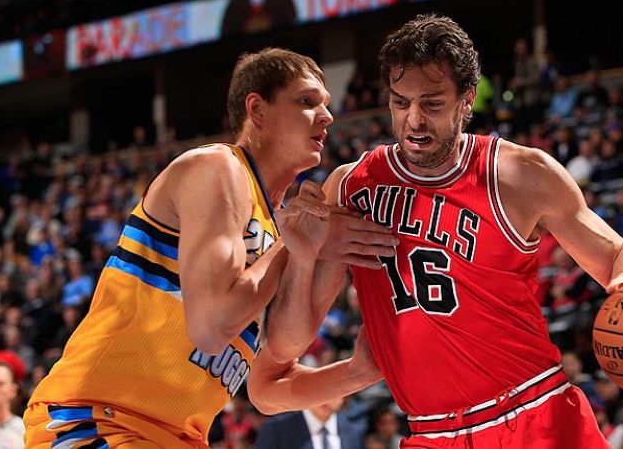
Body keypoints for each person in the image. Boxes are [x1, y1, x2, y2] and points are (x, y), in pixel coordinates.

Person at [250, 14, 623, 448]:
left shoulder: (520, 174)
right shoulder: (352, 188)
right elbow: (280, 359)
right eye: (400, 102)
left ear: (467, 99)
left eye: (432, 104)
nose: (414, 120)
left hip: (535, 414)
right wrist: (307, 260)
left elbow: (614, 258)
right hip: (431, 431)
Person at [23, 48, 394, 448]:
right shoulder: (217, 168)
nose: (327, 116)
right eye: (307, 101)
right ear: (257, 109)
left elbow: (268, 388)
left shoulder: (278, 229)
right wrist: (290, 243)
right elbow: (212, 328)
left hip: (174, 437)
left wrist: (360, 369)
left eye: (326, 104)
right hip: (98, 418)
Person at [255, 397, 365, 449]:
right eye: (320, 390)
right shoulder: (276, 429)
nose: (325, 399)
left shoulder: (355, 433)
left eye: (334, 393)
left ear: (344, 398)